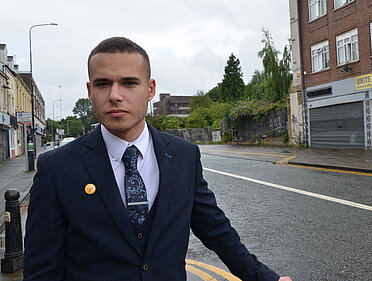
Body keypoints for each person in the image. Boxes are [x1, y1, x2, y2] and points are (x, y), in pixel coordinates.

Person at [23, 37, 292, 281]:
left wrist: (264, 278)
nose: (115, 95)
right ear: (89, 90)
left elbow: (215, 230)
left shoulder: (184, 156)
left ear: (150, 89)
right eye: (103, 83)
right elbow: (42, 269)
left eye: (129, 83)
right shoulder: (57, 169)